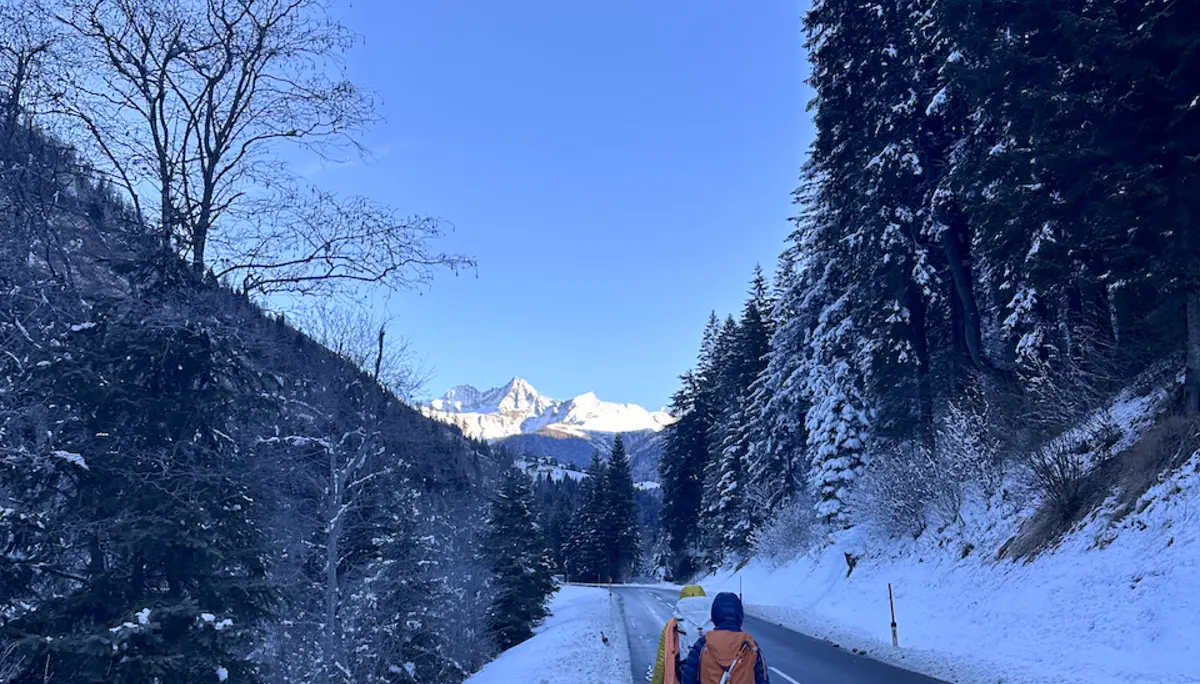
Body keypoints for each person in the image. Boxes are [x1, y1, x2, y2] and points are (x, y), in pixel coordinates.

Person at [680, 592, 769, 684]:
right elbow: (763, 679)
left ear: (714, 615)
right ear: (739, 615)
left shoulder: (703, 643)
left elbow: (688, 678)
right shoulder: (750, 644)